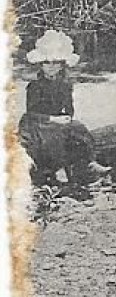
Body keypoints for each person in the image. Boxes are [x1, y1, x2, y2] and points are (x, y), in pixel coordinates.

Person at [19, 29, 100, 192]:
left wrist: (67, 118)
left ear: (62, 65)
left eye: (56, 63)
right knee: (53, 136)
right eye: (47, 63)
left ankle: (90, 162)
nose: (51, 67)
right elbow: (31, 113)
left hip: (57, 121)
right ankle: (58, 168)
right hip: (37, 123)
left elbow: (69, 109)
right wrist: (52, 119)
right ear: (41, 65)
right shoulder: (35, 86)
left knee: (79, 128)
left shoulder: (65, 85)